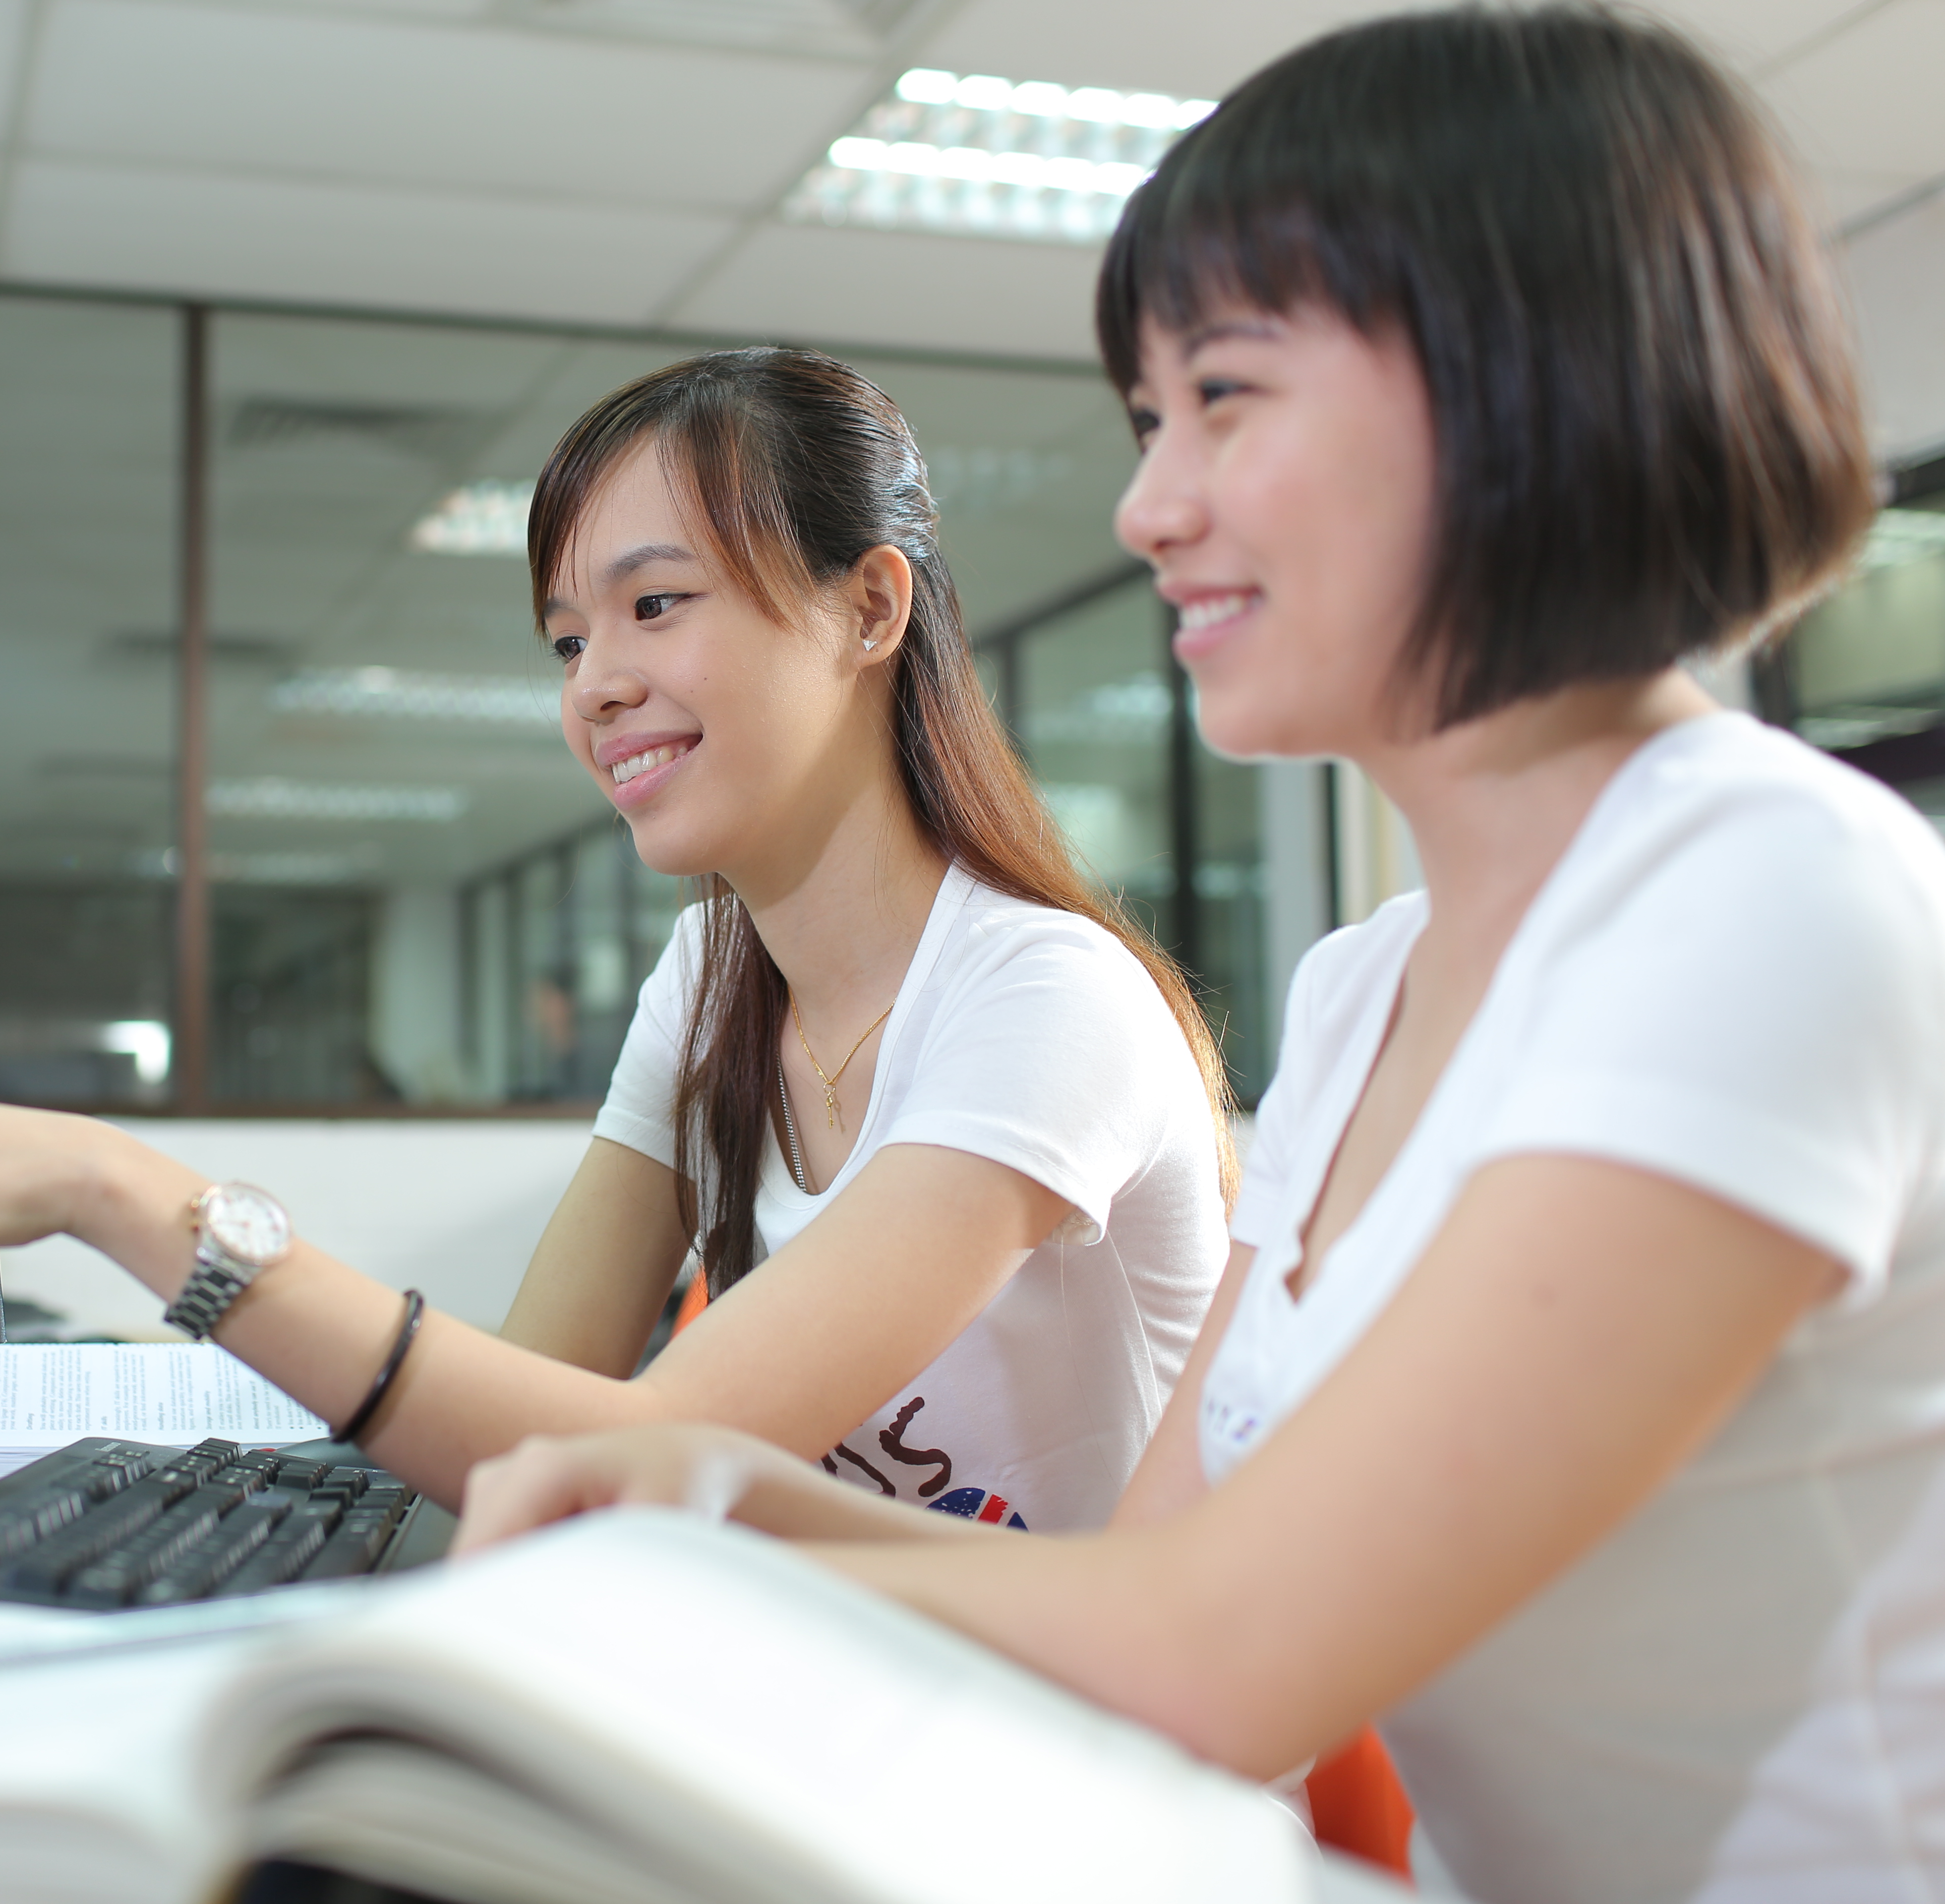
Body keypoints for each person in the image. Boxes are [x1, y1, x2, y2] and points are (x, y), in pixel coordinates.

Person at [452, 10, 1945, 1901]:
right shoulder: (1366, 987)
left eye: (1225, 398)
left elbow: (1227, 1662)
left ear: (1526, 382)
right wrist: (692, 1491)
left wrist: (713, 1493)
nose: (1151, 505)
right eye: (1152, 421)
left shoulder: (1762, 895)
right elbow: (1156, 1604)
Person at [0, 347, 1232, 1526]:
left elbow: (644, 1446)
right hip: (838, 1695)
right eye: (568, 635)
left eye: (658, 606)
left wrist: (123, 1190)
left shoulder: (1043, 1002)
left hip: (1058, 1772)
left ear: (870, 609)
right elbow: (537, 1402)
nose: (595, 684)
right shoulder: (718, 976)